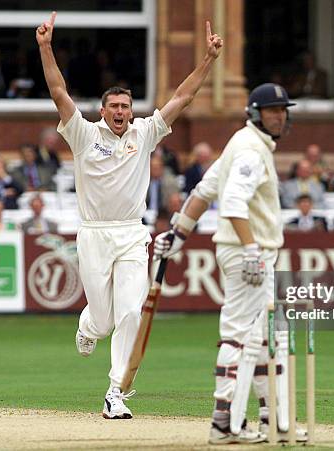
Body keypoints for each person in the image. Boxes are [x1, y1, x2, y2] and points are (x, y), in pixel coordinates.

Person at [36, 11, 223, 420]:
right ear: (103, 111)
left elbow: (182, 98)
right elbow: (58, 92)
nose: (121, 111)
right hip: (94, 234)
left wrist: (207, 61)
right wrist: (46, 48)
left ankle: (115, 391)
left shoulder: (145, 132)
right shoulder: (83, 133)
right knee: (102, 321)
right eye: (114, 106)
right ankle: (87, 327)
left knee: (130, 312)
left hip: (132, 235)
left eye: (126, 105)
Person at [154, 83, 306, 444]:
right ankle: (224, 422)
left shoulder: (241, 144)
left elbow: (203, 192)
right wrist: (252, 249)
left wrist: (178, 233)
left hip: (245, 250)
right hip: (248, 254)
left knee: (267, 336)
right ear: (255, 113)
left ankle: (272, 420)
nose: (280, 116)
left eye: (283, 111)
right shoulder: (251, 150)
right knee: (240, 334)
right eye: (272, 111)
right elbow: (234, 203)